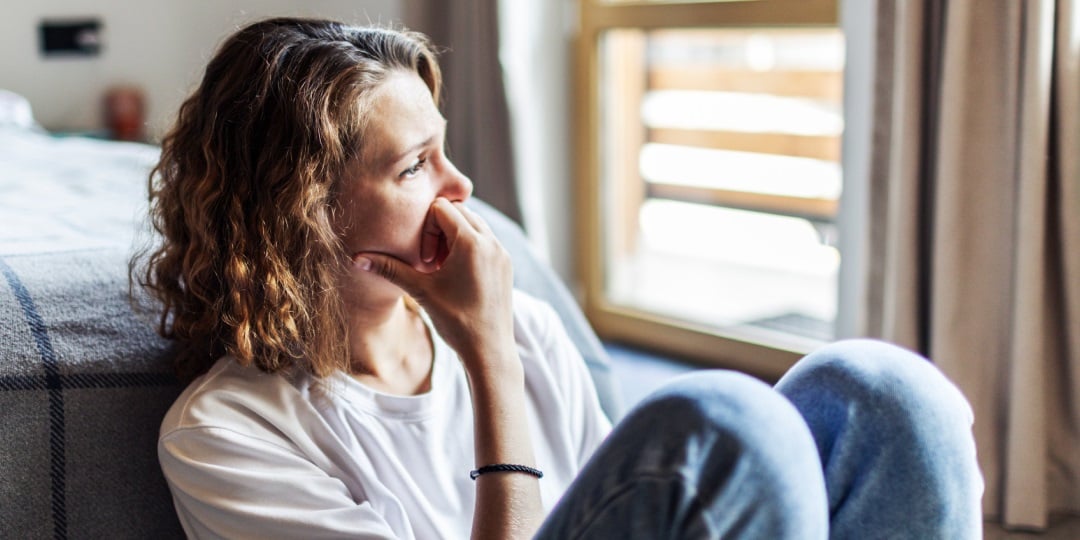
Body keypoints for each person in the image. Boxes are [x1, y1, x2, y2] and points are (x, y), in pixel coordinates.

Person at [136, 17, 983, 539]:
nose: (461, 189)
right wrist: (490, 361)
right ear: (304, 209)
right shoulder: (228, 433)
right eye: (414, 167)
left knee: (881, 389)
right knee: (722, 426)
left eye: (448, 149)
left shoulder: (528, 325)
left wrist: (503, 339)